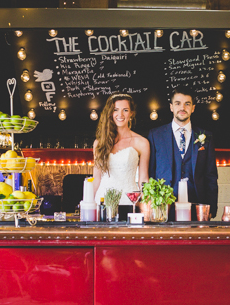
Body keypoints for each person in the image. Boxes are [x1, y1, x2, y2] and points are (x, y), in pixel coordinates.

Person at [147, 86, 218, 218]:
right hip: (164, 206)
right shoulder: (155, 135)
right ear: (171, 107)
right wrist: (152, 206)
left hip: (197, 205)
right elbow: (150, 173)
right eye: (178, 103)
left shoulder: (205, 136)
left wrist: (211, 208)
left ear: (193, 108)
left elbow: (211, 176)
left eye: (187, 104)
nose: (182, 108)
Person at [93, 93, 150, 207]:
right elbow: (96, 178)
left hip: (129, 201)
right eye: (116, 110)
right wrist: (90, 204)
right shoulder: (99, 143)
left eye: (125, 110)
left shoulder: (142, 143)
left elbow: (143, 179)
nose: (120, 114)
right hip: (103, 200)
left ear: (131, 113)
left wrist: (146, 205)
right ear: (110, 113)